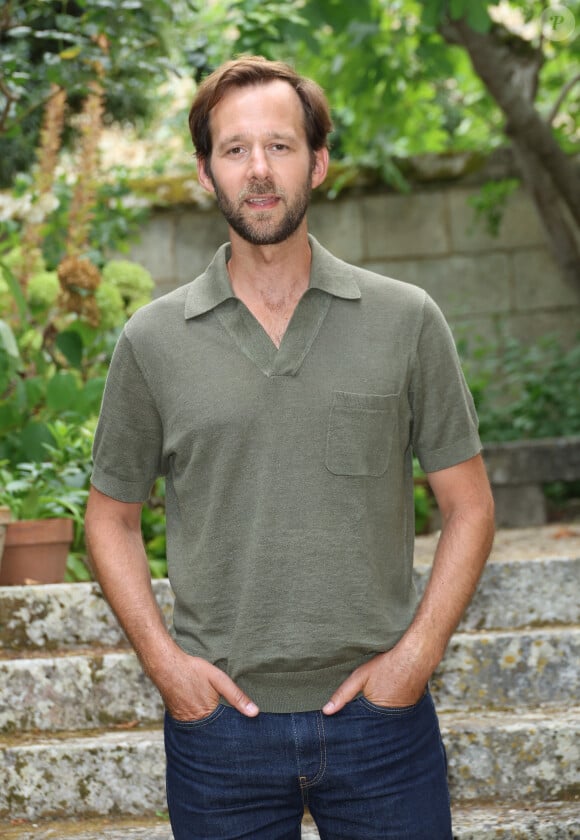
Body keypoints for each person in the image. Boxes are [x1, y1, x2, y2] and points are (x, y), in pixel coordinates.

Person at [85, 56, 495, 840]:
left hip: (383, 725)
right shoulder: (152, 341)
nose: (259, 171)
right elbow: (109, 519)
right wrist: (169, 672)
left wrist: (412, 663)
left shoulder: (405, 319)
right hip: (219, 737)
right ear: (206, 172)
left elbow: (470, 507)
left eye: (280, 145)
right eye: (235, 150)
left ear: (320, 161)